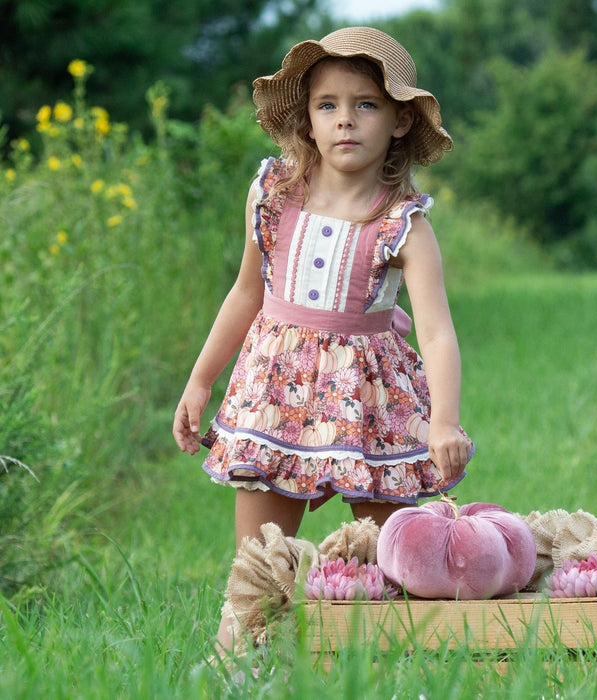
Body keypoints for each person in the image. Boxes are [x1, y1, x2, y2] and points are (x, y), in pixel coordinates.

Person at [173, 26, 474, 656]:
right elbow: (245, 294)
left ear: (397, 121)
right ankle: (240, 671)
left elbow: (438, 330)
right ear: (307, 120)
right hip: (273, 391)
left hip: (372, 400)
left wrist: (443, 422)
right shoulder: (273, 196)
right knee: (259, 566)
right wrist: (202, 379)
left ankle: (400, 668)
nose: (345, 120)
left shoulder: (403, 225)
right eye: (327, 105)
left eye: (365, 104)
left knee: (401, 559)